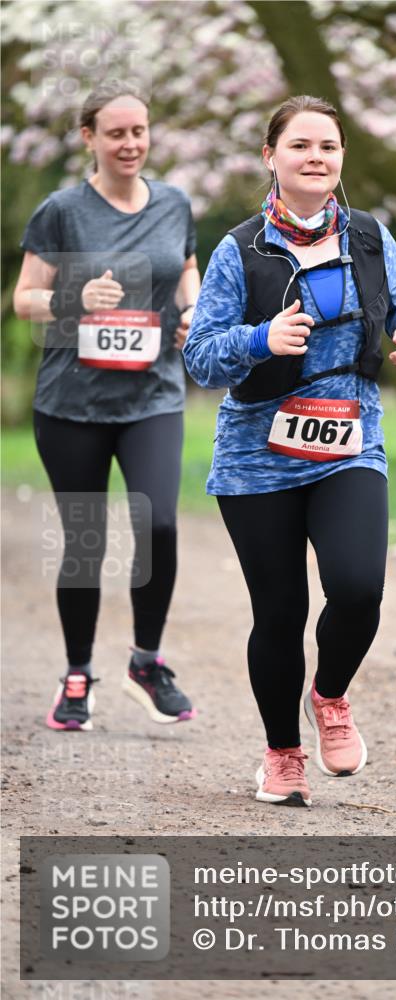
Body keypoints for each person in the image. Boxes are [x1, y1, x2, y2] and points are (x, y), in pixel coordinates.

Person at [184, 95, 396, 807]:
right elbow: (201, 357)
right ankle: (282, 754)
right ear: (271, 157)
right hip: (256, 457)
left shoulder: (370, 236)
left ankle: (329, 696)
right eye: (299, 145)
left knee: (358, 587)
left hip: (350, 441)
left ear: (341, 157)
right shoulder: (238, 249)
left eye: (327, 145)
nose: (315, 156)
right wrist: (263, 339)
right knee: (281, 612)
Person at [13, 81, 201, 731]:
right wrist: (73, 298)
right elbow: (25, 298)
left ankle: (146, 663)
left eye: (139, 131)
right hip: (72, 401)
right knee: (84, 541)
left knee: (160, 527)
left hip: (152, 393)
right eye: (116, 133)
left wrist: (193, 313)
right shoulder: (61, 211)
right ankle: (76, 675)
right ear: (89, 138)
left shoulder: (175, 202)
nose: (131, 143)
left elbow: (184, 270)